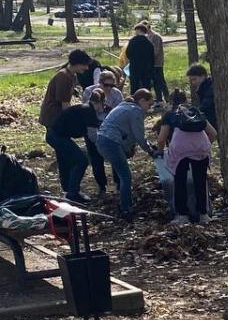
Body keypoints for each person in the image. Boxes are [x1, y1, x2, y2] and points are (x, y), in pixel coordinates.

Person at [158, 89, 217, 225]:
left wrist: (160, 152)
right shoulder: (195, 112)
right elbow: (213, 133)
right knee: (200, 181)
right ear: (186, 100)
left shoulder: (170, 115)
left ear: (170, 101)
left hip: (180, 150)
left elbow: (161, 139)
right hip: (201, 148)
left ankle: (182, 215)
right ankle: (203, 214)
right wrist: (204, 146)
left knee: (180, 182)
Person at [96, 89, 156, 218]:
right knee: (126, 176)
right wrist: (150, 150)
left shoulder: (125, 106)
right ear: (141, 101)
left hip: (103, 140)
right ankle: (126, 208)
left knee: (122, 174)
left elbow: (128, 133)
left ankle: (124, 202)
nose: (149, 109)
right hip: (110, 142)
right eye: (149, 105)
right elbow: (139, 135)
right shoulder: (136, 111)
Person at [47, 90, 104, 203]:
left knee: (65, 161)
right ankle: (73, 192)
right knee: (81, 161)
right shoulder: (89, 111)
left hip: (53, 134)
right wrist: (103, 146)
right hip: (58, 137)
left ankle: (67, 191)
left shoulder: (84, 108)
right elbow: (93, 136)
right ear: (100, 102)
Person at [83, 71, 124, 195]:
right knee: (96, 158)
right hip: (92, 126)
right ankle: (102, 186)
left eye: (112, 86)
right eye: (106, 85)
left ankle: (118, 184)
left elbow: (119, 113)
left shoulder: (116, 94)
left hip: (110, 128)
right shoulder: (89, 92)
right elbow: (88, 111)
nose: (109, 88)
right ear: (99, 83)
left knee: (115, 156)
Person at [40, 49, 89, 131]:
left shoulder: (72, 76)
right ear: (77, 63)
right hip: (53, 118)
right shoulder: (64, 77)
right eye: (84, 64)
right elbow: (65, 106)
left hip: (57, 116)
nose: (87, 68)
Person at [124, 23, 156, 96]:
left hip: (134, 67)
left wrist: (133, 59)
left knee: (134, 86)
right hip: (146, 68)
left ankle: (134, 101)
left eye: (136, 30)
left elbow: (128, 53)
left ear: (138, 30)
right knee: (146, 86)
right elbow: (152, 57)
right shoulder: (148, 42)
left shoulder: (133, 41)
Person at [144, 20, 168, 106]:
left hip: (157, 63)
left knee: (160, 81)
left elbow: (156, 51)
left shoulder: (155, 37)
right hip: (151, 64)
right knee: (155, 82)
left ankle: (167, 98)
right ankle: (159, 99)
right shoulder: (147, 37)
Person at [186, 63, 217, 130]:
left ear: (203, 76)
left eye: (194, 79)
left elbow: (205, 105)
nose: (193, 82)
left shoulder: (210, 88)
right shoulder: (203, 87)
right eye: (191, 80)